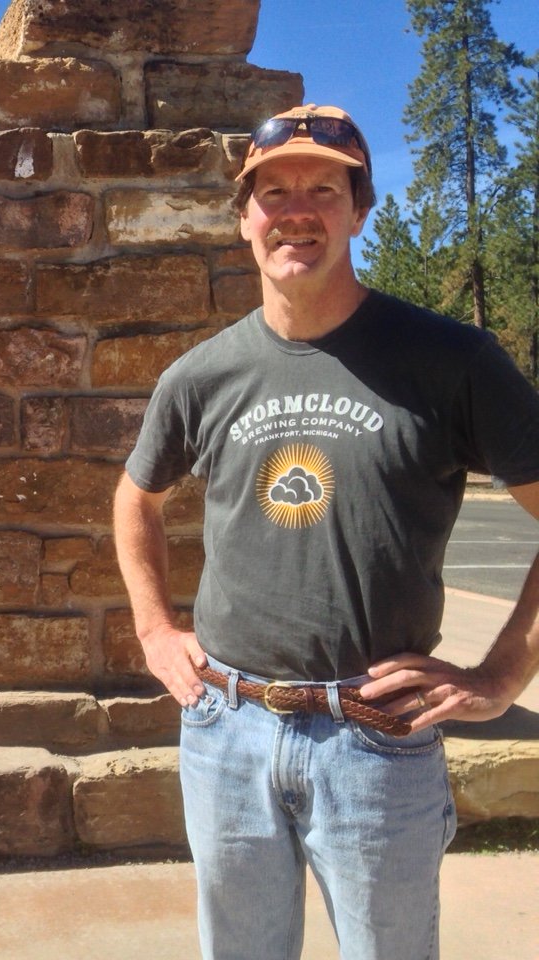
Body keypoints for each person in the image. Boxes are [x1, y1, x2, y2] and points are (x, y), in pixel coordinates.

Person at [112, 104, 539, 960]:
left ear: (359, 209)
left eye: (322, 188)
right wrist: (155, 630)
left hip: (375, 740)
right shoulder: (203, 375)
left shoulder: (452, 362)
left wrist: (504, 670)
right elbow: (136, 499)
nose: (296, 209)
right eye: (274, 191)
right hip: (226, 728)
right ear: (244, 218)